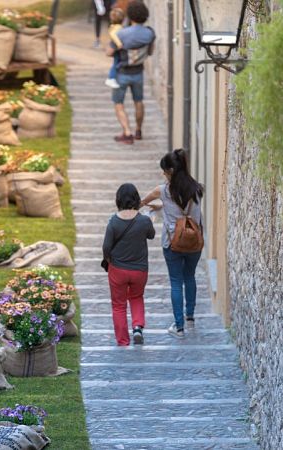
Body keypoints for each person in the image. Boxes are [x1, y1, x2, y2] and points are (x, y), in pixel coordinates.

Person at [140, 149, 204, 339]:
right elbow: (185, 210)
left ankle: (179, 327)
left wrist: (132, 210)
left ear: (171, 171)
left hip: (173, 243)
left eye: (164, 171)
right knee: (189, 277)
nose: (163, 175)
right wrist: (162, 207)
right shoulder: (198, 189)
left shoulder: (163, 190)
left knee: (176, 282)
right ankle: (190, 318)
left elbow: (142, 201)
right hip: (194, 241)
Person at [103, 183, 156, 346]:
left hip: (118, 269)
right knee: (136, 297)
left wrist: (108, 260)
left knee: (118, 305)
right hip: (139, 270)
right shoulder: (144, 221)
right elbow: (151, 235)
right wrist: (150, 219)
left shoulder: (113, 221)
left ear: (118, 199)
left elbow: (106, 247)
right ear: (136, 199)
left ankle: (123, 340)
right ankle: (138, 326)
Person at [108, 1, 155, 144]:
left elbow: (109, 52)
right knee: (138, 101)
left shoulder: (121, 33)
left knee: (118, 103)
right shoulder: (150, 33)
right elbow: (151, 52)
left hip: (122, 72)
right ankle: (138, 131)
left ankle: (127, 133)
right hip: (138, 73)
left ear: (130, 15)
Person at [104, 8, 126, 89]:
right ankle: (111, 78)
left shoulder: (114, 26)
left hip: (116, 49)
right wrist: (119, 44)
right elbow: (113, 35)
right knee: (116, 64)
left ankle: (113, 78)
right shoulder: (118, 27)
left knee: (116, 63)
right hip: (117, 49)